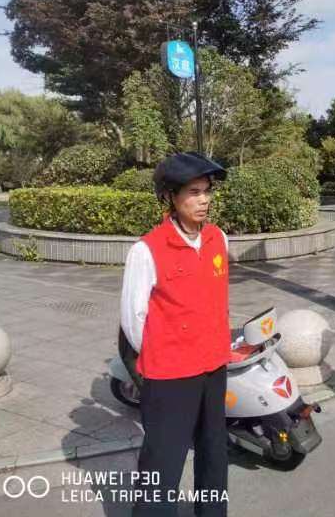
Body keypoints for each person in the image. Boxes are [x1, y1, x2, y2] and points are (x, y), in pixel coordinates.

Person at [120, 152, 231, 517]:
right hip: (170, 374)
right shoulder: (146, 250)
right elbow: (133, 320)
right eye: (194, 192)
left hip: (214, 366)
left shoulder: (218, 239)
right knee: (163, 460)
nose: (204, 200)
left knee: (214, 452)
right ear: (170, 196)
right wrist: (168, 351)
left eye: (207, 191)